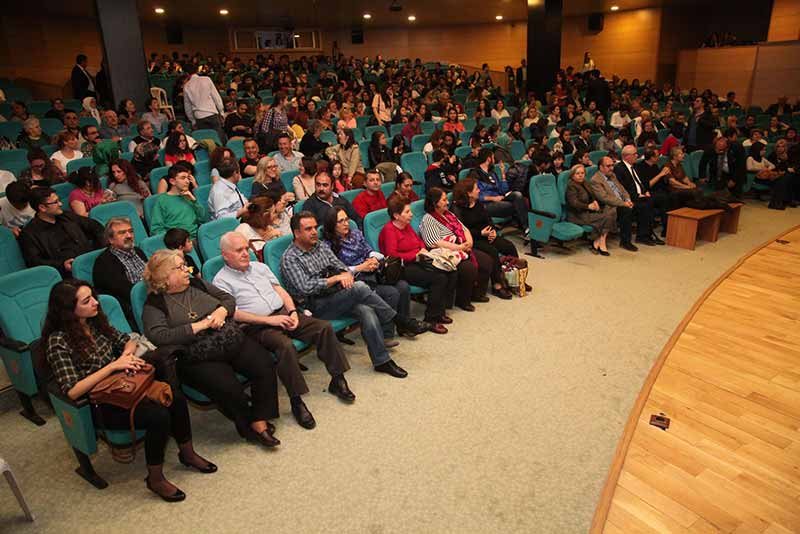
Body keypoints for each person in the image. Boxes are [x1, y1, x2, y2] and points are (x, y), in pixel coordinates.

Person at [44, 279, 215, 502]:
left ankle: (188, 453)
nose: (96, 303)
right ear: (69, 310)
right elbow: (73, 391)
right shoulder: (58, 341)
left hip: (124, 384)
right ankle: (155, 479)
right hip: (99, 402)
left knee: (176, 399)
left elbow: (129, 341)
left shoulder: (94, 322)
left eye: (93, 296)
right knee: (158, 416)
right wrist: (112, 366)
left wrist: (125, 356)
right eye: (87, 301)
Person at [213, 232, 356, 429]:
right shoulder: (221, 281)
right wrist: (270, 320)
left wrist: (292, 311)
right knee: (285, 346)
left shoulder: (260, 267)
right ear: (225, 255)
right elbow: (234, 314)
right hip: (258, 325)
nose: (246, 254)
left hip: (284, 313)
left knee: (323, 328)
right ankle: (297, 401)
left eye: (246, 249)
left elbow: (280, 291)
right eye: (239, 251)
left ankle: (337, 379)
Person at [142, 250, 280, 447]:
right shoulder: (155, 304)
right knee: (230, 389)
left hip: (230, 338)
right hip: (197, 355)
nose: (187, 270)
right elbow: (159, 335)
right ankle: (249, 425)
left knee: (264, 364)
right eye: (180, 267)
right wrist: (200, 325)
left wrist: (222, 312)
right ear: (165, 276)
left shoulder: (197, 284)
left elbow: (228, 300)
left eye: (185, 265)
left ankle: (259, 419)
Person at [280, 211, 409, 378]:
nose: (313, 232)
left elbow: (341, 266)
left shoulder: (319, 245)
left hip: (335, 295)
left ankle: (382, 361)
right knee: (359, 287)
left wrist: (346, 274)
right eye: (308, 229)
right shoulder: (290, 258)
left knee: (365, 309)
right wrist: (336, 277)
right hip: (314, 305)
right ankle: (398, 319)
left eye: (314, 227)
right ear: (297, 233)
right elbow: (306, 287)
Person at [323, 208, 428, 336]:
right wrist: (362, 267)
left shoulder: (355, 233)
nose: (346, 224)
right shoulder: (327, 246)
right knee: (392, 292)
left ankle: (403, 328)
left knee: (403, 286)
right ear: (332, 225)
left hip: (373, 272)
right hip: (356, 281)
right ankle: (386, 334)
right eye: (340, 221)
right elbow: (338, 271)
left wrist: (373, 259)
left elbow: (369, 250)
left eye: (346, 219)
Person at [419, 187, 493, 310]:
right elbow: (433, 242)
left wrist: (469, 242)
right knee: (468, 268)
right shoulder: (428, 219)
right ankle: (462, 300)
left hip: (461, 247)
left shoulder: (449, 215)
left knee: (486, 261)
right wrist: (459, 247)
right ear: (434, 203)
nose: (447, 202)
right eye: (443, 200)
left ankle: (476, 294)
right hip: (447, 253)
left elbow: (464, 229)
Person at [451, 178, 518, 298]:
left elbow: (488, 220)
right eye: (476, 189)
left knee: (509, 246)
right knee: (492, 252)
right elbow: (461, 231)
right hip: (473, 240)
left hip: (487, 235)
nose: (479, 190)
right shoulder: (458, 209)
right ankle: (497, 285)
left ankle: (515, 280)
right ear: (468, 193)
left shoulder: (478, 204)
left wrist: (493, 231)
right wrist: (480, 233)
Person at [19, 186, 105, 275]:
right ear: (42, 208)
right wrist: (61, 265)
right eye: (55, 202)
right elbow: (35, 261)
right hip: (65, 274)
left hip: (90, 261)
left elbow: (95, 226)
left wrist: (100, 250)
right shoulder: (29, 234)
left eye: (58, 200)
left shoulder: (66, 216)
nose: (60, 204)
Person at [93, 217, 148, 324]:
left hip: (152, 297)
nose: (129, 236)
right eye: (122, 233)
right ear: (110, 239)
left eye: (131, 231)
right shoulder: (104, 263)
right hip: (134, 309)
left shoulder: (138, 251)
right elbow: (127, 294)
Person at [470, 148, 528, 234]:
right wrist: (493, 198)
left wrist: (503, 174)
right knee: (516, 205)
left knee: (518, 195)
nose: (494, 160)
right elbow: (475, 196)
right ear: (489, 159)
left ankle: (526, 227)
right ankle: (523, 226)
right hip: (486, 204)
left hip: (499, 198)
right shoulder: (475, 174)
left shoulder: (492, 173)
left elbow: (503, 191)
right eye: (493, 158)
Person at [565, 165, 615, 255]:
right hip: (577, 215)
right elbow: (574, 203)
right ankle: (600, 242)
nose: (580, 175)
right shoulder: (571, 186)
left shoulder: (585, 183)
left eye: (582, 173)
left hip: (588, 212)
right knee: (607, 216)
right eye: (577, 174)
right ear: (572, 175)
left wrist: (595, 202)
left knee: (612, 211)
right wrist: (588, 206)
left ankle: (598, 241)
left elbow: (592, 195)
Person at [590, 157, 638, 252]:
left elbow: (622, 189)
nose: (612, 168)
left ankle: (644, 235)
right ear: (601, 167)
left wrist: (628, 199)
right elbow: (605, 198)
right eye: (608, 166)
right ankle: (625, 242)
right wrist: (624, 204)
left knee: (644, 204)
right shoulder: (595, 180)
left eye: (612, 165)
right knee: (626, 211)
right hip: (610, 206)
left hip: (621, 202)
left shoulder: (612, 175)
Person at [149, 166, 205, 240]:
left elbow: (202, 219)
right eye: (183, 178)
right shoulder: (162, 200)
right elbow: (156, 229)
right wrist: (173, 240)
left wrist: (194, 201)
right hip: (178, 242)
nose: (187, 181)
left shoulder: (189, 196)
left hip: (197, 238)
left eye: (188, 178)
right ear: (172, 181)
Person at [182, 63, 226, 144]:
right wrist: (222, 112)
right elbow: (216, 97)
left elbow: (187, 107)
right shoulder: (206, 79)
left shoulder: (186, 86)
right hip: (212, 113)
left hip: (199, 117)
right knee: (218, 140)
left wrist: (192, 121)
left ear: (186, 74)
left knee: (206, 142)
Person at [747, 142, 791, 210]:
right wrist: (762, 169)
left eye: (765, 150)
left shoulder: (762, 158)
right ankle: (776, 203)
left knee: (781, 180)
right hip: (756, 178)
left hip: (765, 177)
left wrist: (767, 169)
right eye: (762, 150)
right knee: (779, 181)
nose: (764, 151)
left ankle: (777, 203)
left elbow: (773, 166)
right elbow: (749, 168)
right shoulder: (750, 158)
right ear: (757, 149)